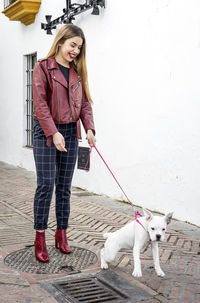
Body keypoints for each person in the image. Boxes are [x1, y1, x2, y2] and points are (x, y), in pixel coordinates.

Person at [32, 24, 96, 262]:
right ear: (60, 41)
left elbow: (85, 104)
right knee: (46, 185)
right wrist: (53, 132)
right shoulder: (42, 68)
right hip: (46, 133)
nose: (76, 51)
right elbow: (40, 104)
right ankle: (40, 237)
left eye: (79, 47)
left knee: (64, 187)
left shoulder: (77, 72)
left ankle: (61, 235)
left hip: (70, 132)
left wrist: (88, 127)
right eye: (72, 45)